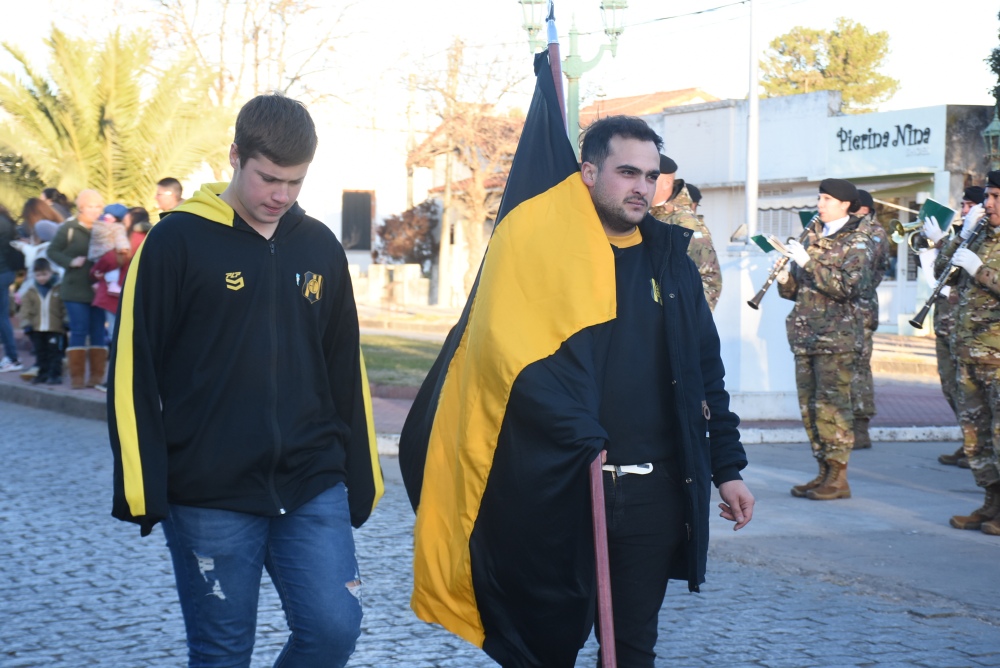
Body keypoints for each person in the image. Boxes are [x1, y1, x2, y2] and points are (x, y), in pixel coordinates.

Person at [107, 93, 383, 667]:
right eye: (268, 178)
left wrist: (363, 474)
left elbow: (344, 367)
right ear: (235, 156)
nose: (280, 195)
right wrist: (142, 483)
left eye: (296, 182)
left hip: (312, 482)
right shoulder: (175, 241)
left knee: (334, 630)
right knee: (223, 653)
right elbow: (134, 367)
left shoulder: (319, 246)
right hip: (210, 493)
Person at [577, 117, 753, 664]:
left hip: (652, 494)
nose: (641, 187)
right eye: (627, 171)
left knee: (631, 649)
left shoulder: (672, 260)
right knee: (544, 644)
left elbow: (706, 372)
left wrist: (727, 468)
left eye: (651, 175)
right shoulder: (548, 259)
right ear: (588, 172)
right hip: (565, 491)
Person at [777, 178, 874, 500]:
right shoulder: (814, 236)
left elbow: (848, 287)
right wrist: (784, 277)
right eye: (819, 198)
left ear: (846, 204)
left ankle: (839, 476)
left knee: (834, 409)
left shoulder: (858, 241)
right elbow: (796, 292)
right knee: (811, 410)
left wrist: (808, 262)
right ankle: (823, 472)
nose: (820, 204)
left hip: (837, 338)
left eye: (827, 199)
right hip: (806, 336)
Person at [933, 171, 1000, 535]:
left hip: (997, 356)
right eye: (987, 196)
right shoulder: (980, 234)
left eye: (995, 197)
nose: (987, 204)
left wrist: (982, 271)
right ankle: (991, 500)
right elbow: (943, 271)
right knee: (976, 436)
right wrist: (960, 236)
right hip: (969, 353)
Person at [925, 186, 984, 468]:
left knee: (976, 400)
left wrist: (943, 243)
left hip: (980, 335)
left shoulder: (983, 236)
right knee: (952, 388)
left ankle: (977, 450)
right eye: (963, 205)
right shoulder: (966, 232)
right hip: (951, 325)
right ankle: (968, 444)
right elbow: (942, 271)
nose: (964, 211)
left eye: (970, 204)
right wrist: (943, 242)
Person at [46, 189, 106, 389]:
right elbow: (52, 251)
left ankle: (97, 377)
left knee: (98, 332)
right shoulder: (69, 228)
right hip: (74, 290)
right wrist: (71, 261)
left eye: (98, 206)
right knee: (79, 330)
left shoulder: (105, 227)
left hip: (98, 290)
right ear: (81, 207)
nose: (95, 210)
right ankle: (77, 378)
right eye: (90, 206)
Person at [649, 155, 722, 310]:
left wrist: (688, 325)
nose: (643, 182)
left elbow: (710, 280)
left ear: (667, 182)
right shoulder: (648, 215)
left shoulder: (685, 223)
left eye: (651, 177)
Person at [851, 189, 891, 449]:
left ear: (863, 209)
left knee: (860, 369)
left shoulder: (873, 232)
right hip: (847, 309)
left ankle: (861, 425)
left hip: (862, 308)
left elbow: (863, 271)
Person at [18, 257, 66, 385]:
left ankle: (55, 374)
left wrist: (67, 320)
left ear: (51, 272)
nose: (41, 278)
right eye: (38, 275)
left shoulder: (58, 289)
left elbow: (64, 307)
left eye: (44, 274)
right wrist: (26, 323)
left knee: (54, 353)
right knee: (41, 353)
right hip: (37, 328)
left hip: (54, 327)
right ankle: (43, 373)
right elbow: (25, 309)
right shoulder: (31, 291)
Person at [0, 203, 24, 373]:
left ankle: (12, 357)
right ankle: (12, 356)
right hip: (6, 271)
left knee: (2, 317)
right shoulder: (5, 220)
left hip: (2, 271)